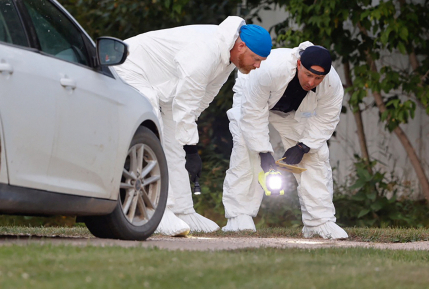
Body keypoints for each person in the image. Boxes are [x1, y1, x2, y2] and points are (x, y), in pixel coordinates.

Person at [114, 17, 272, 236]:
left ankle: (183, 210)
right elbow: (186, 102)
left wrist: (187, 143)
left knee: (175, 140)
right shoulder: (206, 52)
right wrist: (191, 149)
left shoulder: (227, 59)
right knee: (154, 127)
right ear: (241, 46)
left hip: (164, 86)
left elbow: (200, 101)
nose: (258, 66)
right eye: (256, 59)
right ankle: (159, 210)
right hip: (128, 66)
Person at [221, 42, 347, 239]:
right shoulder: (270, 69)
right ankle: (239, 217)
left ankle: (319, 222)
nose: (312, 82)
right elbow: (253, 114)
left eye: (318, 78)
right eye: (308, 75)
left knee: (316, 155)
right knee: (246, 150)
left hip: (290, 111)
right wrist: (263, 152)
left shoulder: (332, 84)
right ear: (298, 64)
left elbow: (327, 118)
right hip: (252, 99)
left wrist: (303, 146)